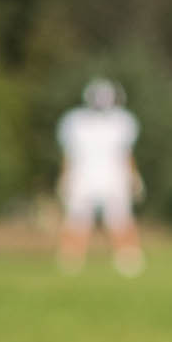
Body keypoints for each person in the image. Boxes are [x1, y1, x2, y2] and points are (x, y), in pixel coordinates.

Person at [56, 78, 144, 276]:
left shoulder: (121, 122)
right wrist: (64, 177)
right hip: (83, 177)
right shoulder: (75, 122)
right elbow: (69, 154)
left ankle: (127, 259)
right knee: (77, 219)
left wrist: (134, 176)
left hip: (113, 178)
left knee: (120, 219)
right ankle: (71, 259)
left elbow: (126, 154)